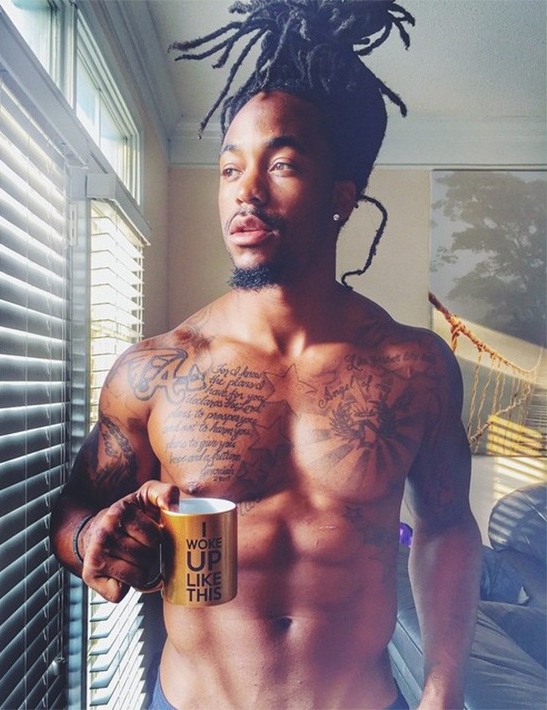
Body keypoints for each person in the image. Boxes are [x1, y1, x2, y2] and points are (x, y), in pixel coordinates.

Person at [51, 2, 482, 708]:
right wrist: (93, 539)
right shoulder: (156, 370)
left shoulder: (415, 367)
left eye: (281, 164)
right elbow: (75, 512)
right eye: (229, 168)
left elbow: (446, 527)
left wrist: (444, 688)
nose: (244, 192)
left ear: (341, 197)